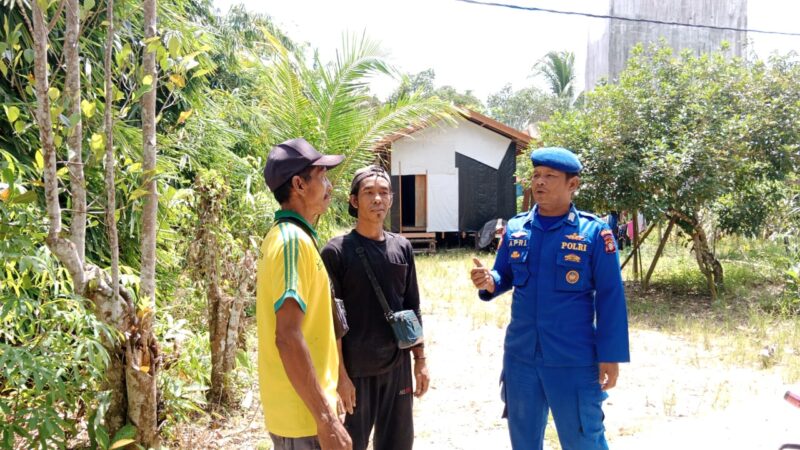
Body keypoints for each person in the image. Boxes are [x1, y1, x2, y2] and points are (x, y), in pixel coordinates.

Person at [470, 147, 630, 450]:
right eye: (536, 175)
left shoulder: (594, 233)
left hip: (573, 359)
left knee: (584, 439)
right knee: (523, 440)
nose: (539, 182)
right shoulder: (517, 228)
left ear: (573, 184)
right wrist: (490, 281)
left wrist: (610, 356)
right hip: (521, 357)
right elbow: (504, 274)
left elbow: (610, 298)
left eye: (549, 176)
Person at [320, 165, 429, 450]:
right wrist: (341, 377)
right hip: (356, 372)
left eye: (383, 192)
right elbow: (333, 322)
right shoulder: (336, 252)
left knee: (398, 443)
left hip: (397, 366)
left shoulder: (402, 247)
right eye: (369, 192)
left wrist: (420, 361)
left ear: (391, 199)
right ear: (354, 201)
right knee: (350, 444)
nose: (377, 199)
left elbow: (412, 306)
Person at [256, 137, 352, 450]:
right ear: (298, 184)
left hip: (303, 414)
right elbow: (288, 336)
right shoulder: (291, 243)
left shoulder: (290, 238)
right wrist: (326, 420)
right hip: (303, 420)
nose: (329, 186)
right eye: (322, 177)